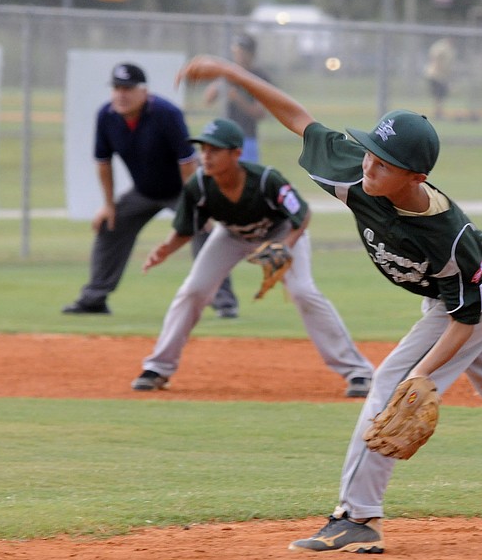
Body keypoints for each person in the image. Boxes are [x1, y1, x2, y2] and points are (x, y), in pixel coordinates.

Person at [175, 55, 482, 554]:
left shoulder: (447, 235)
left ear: (416, 177)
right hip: (448, 302)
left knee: (391, 382)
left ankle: (357, 518)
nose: (370, 164)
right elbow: (298, 119)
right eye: (370, 150)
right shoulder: (359, 176)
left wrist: (422, 374)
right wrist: (231, 73)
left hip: (480, 300)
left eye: (385, 161)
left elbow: (466, 316)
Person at [131, 116, 374, 399]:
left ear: (236, 153)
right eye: (203, 149)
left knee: (303, 292)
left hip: (281, 232)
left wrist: (285, 245)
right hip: (231, 236)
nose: (206, 156)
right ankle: (158, 368)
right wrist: (165, 249)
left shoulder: (266, 180)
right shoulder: (199, 185)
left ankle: (359, 371)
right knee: (193, 290)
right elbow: (186, 229)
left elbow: (302, 214)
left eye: (214, 150)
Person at [62, 62, 238, 317]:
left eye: (128, 88)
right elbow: (103, 162)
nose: (121, 94)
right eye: (117, 88)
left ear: (144, 91)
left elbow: (187, 163)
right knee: (110, 225)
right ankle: (94, 299)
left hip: (182, 188)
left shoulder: (166, 114)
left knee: (205, 229)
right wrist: (109, 205)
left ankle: (224, 302)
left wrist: (198, 204)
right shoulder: (106, 116)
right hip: (144, 191)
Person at [203, 33, 271, 164]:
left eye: (243, 52)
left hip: (247, 138)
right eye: (237, 51)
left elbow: (260, 113)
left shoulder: (259, 76)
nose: (239, 55)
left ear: (252, 54)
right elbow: (208, 99)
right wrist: (221, 79)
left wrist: (238, 98)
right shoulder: (230, 73)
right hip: (225, 139)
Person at [423, 37, 456, 120]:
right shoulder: (441, 47)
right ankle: (438, 114)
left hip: (442, 76)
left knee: (441, 96)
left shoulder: (450, 49)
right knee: (438, 95)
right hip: (435, 75)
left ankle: (439, 113)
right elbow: (434, 57)